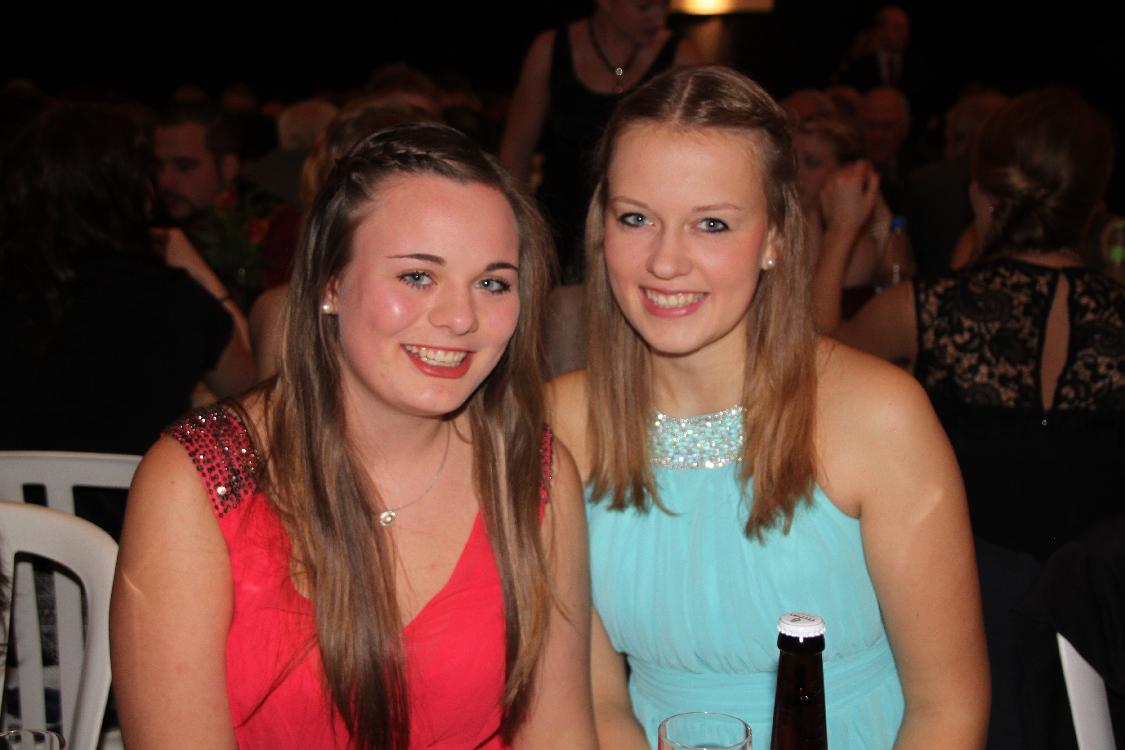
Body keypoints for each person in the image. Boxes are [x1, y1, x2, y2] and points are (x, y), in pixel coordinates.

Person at [111, 123, 596, 749]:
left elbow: (558, 733)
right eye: (417, 276)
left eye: (492, 283)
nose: (461, 317)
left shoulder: (532, 475)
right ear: (330, 284)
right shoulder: (198, 480)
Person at [548, 65, 988, 747]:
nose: (665, 261)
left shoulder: (877, 416)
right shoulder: (561, 423)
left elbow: (948, 709)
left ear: (776, 238)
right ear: (600, 226)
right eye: (635, 218)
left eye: (711, 224)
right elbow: (597, 700)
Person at [815, 88, 1124, 748]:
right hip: (1105, 641)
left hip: (965, 633)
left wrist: (840, 231)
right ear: (1092, 200)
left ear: (981, 193)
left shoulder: (926, 310)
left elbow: (810, 364)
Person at [500, 1, 699, 282]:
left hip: (637, 227)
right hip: (556, 225)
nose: (659, 18)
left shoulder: (681, 55)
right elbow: (516, 151)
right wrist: (515, 228)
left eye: (665, 5)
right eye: (644, 7)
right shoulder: (551, 48)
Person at [794, 113, 912, 319]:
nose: (797, 173)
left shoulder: (857, 241)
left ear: (845, 172)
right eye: (791, 161)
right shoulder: (777, 220)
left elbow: (816, 321)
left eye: (811, 163)